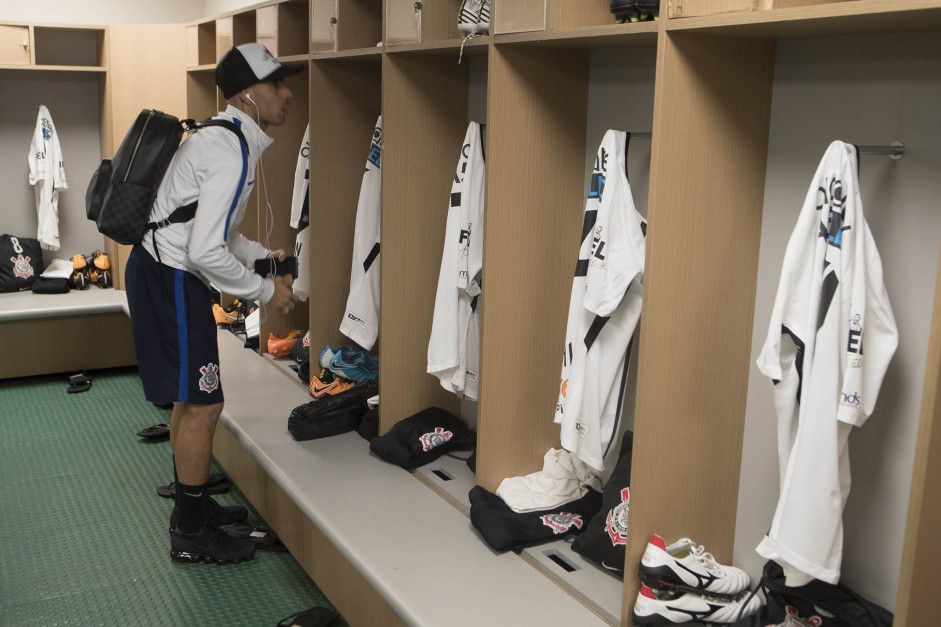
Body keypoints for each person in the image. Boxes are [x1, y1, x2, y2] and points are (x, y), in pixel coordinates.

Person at [125, 43, 301, 564]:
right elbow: (203, 249)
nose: (288, 92)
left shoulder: (227, 138)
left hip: (167, 273)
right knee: (205, 402)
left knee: (192, 397)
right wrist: (267, 291)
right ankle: (191, 534)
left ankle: (193, 512)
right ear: (248, 94)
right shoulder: (226, 150)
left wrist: (264, 259)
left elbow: (213, 231)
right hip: (171, 278)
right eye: (277, 84)